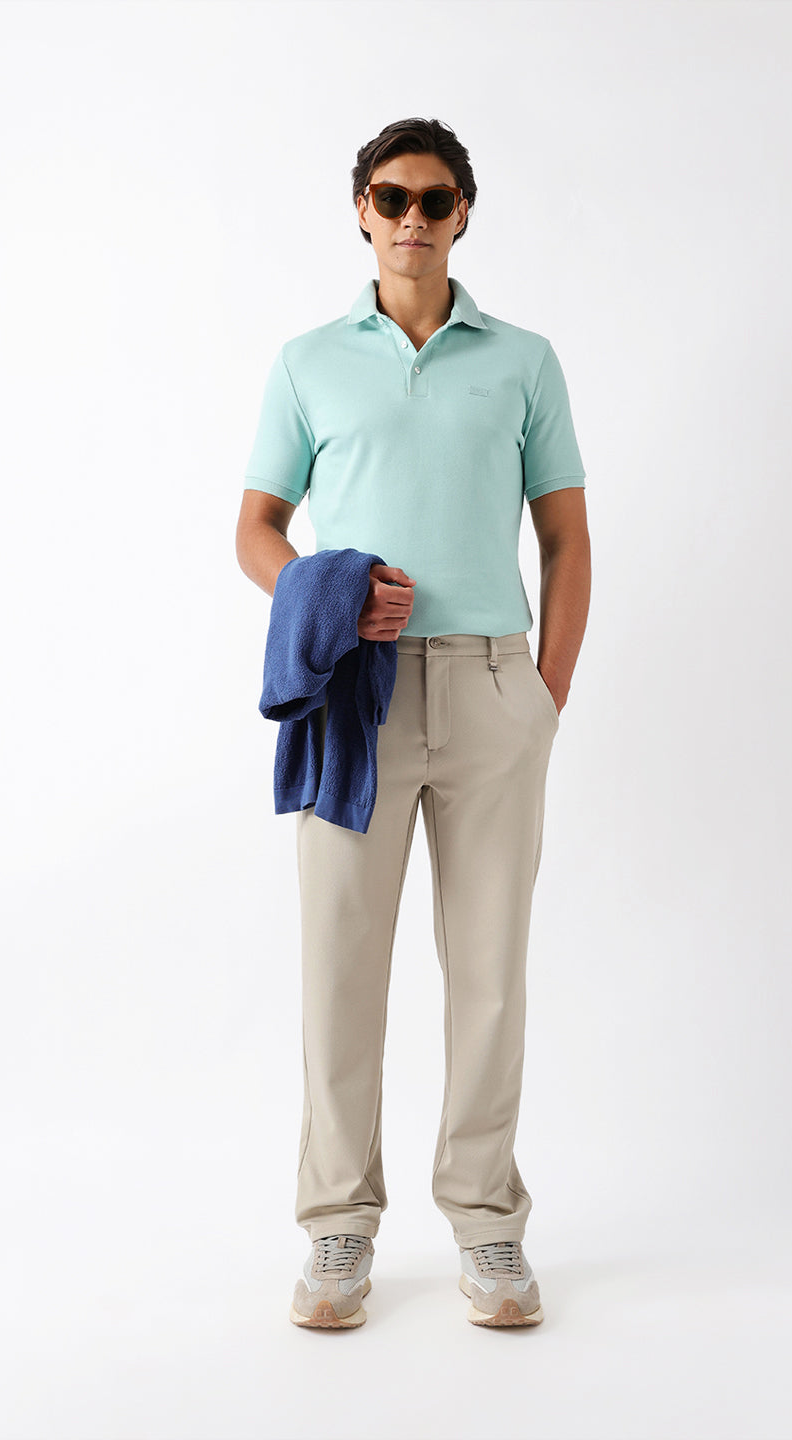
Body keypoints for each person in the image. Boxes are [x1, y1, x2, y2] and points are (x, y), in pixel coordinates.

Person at [235, 116, 591, 1328]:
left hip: (493, 691)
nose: (412, 219)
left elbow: (565, 537)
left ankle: (488, 1226)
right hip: (357, 694)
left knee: (490, 973)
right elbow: (255, 527)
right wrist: (321, 591)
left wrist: (544, 693)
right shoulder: (308, 364)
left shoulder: (524, 362)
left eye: (435, 200)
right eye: (391, 197)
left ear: (463, 214)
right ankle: (338, 1226)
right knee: (341, 965)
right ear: (361, 210)